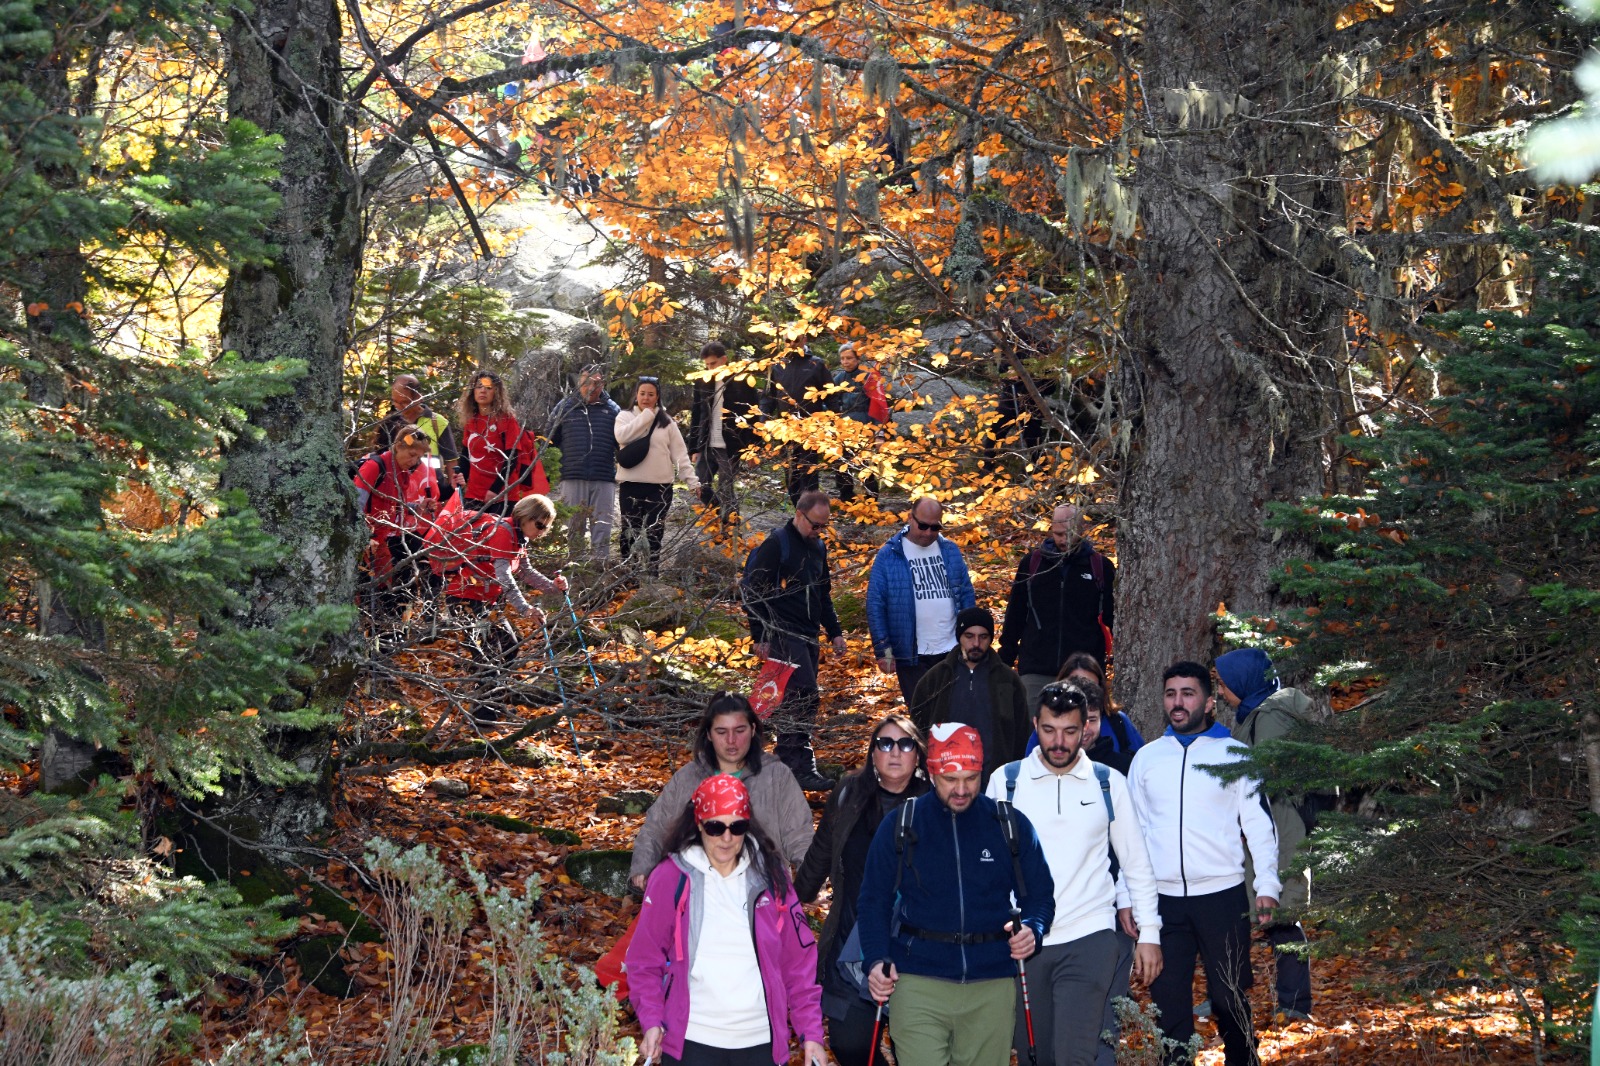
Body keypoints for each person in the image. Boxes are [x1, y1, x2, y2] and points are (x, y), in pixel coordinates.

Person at [985, 682, 1163, 1066]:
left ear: (1085, 729)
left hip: (1090, 936)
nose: (1059, 742)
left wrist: (1150, 933)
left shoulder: (1108, 783)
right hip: (1024, 944)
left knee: (1075, 1056)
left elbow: (1136, 863)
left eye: (1069, 731)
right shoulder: (1006, 781)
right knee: (1035, 1055)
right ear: (1036, 725)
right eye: (1049, 730)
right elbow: (987, 865)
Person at [857, 723, 1055, 1066]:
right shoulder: (903, 824)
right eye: (951, 779)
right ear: (932, 773)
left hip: (991, 982)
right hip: (917, 980)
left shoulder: (1007, 823)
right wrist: (875, 960)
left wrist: (1033, 929)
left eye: (971, 778)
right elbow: (873, 900)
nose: (962, 789)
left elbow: (1040, 896)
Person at [1126, 662, 1281, 1066]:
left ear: (1209, 702)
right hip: (1162, 902)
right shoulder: (1146, 759)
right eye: (1171, 694)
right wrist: (1127, 896)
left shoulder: (1235, 755)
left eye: (1188, 693)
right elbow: (1131, 836)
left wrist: (1267, 886)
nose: (1178, 702)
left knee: (1228, 997)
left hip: (1222, 898)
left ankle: (1244, 1060)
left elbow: (1260, 826)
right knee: (1169, 1005)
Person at [627, 774, 828, 1066]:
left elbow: (798, 961)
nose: (726, 838)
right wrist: (652, 1019)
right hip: (691, 1040)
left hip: (761, 1042)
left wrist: (811, 1032)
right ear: (698, 824)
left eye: (737, 827)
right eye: (715, 826)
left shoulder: (772, 877)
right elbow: (643, 960)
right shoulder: (671, 877)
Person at [795, 715, 930, 1066]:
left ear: (918, 754)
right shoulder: (849, 793)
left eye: (905, 744)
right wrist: (794, 900)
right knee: (850, 1043)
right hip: (851, 942)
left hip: (914, 947)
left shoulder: (933, 802)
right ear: (872, 754)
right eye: (885, 743)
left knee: (913, 1047)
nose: (895, 752)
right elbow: (823, 850)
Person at [1214, 648, 1317, 1023]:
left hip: (1279, 829)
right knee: (1240, 913)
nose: (1220, 692)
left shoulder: (1270, 715)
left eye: (1224, 684)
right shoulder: (1260, 712)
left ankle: (1295, 1004)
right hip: (1268, 827)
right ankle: (1228, 995)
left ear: (1243, 681)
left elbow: (1267, 776)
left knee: (1282, 916)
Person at [629, 693, 815, 891]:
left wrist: (812, 880)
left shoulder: (776, 776)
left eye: (739, 730)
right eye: (721, 732)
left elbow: (799, 834)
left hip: (763, 892)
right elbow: (656, 827)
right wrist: (642, 867)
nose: (731, 740)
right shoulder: (688, 777)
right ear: (709, 734)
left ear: (753, 730)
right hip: (695, 891)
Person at [740, 490, 846, 791]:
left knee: (794, 699)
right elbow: (751, 592)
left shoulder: (818, 547)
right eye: (815, 525)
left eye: (824, 526)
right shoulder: (777, 544)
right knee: (803, 694)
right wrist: (759, 635)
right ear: (799, 514)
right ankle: (796, 764)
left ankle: (789, 763)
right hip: (781, 633)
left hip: (809, 634)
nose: (819, 531)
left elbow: (823, 594)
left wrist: (835, 632)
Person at [999, 503, 1116, 711]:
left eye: (1069, 534)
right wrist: (1005, 658)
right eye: (1058, 534)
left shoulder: (1100, 567)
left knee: (1083, 726)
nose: (1063, 540)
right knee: (1033, 726)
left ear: (1081, 529)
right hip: (1036, 668)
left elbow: (1112, 618)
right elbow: (1016, 613)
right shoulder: (1032, 564)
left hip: (1083, 669)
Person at [866, 496, 976, 704]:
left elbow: (966, 595)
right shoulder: (889, 555)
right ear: (910, 518)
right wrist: (883, 649)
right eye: (923, 526)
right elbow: (875, 604)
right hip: (911, 655)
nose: (928, 533)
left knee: (957, 711)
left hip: (952, 650)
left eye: (935, 527)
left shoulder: (950, 551)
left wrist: (971, 638)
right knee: (923, 714)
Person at [910, 607, 1030, 783]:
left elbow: (1022, 733)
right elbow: (917, 730)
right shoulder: (935, 679)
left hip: (996, 780)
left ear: (990, 638)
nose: (976, 643)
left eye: (983, 637)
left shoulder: (1008, 680)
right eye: (969, 636)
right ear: (959, 637)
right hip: (945, 778)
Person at [613, 375, 700, 576]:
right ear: (636, 395)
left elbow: (680, 454)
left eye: (651, 394)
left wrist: (692, 481)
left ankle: (652, 572)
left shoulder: (667, 422)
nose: (646, 398)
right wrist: (646, 416)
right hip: (630, 484)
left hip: (660, 487)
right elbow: (621, 436)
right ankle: (629, 573)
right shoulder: (624, 416)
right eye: (642, 393)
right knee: (629, 530)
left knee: (655, 532)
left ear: (657, 396)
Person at [354, 429, 438, 616]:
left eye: (419, 457)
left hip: (380, 542)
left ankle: (384, 629)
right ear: (398, 446)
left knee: (385, 592)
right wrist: (363, 538)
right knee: (366, 594)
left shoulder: (402, 473)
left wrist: (418, 508)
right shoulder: (374, 467)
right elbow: (353, 507)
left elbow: (395, 506)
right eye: (412, 454)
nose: (414, 461)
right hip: (364, 542)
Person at [549, 363, 621, 560]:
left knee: (602, 525)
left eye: (596, 383)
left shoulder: (613, 409)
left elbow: (622, 444)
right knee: (573, 524)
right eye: (586, 382)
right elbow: (550, 440)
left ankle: (600, 564)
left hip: (603, 476)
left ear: (603, 384)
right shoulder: (564, 407)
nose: (591, 387)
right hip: (572, 475)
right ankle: (574, 565)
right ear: (579, 382)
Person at [455, 369, 548, 516]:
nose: (483, 391)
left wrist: (495, 490)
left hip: (503, 494)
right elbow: (466, 456)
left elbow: (512, 459)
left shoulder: (507, 420)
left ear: (497, 392)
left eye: (488, 387)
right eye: (479, 387)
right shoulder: (471, 421)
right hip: (474, 493)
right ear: (473, 391)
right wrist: (460, 476)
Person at [687, 342, 763, 521]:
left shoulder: (741, 381)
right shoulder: (702, 381)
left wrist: (753, 449)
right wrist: (694, 448)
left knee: (726, 488)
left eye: (713, 363)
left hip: (731, 445)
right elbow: (697, 414)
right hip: (707, 443)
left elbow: (754, 415)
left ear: (724, 359)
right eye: (707, 365)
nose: (710, 368)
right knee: (699, 485)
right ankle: (720, 515)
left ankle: (731, 528)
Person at [762, 343, 833, 505]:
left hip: (811, 429)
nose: (792, 343)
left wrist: (834, 421)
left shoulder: (816, 364)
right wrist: (763, 420)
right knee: (791, 472)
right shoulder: (777, 365)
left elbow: (831, 395)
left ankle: (811, 511)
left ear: (804, 338)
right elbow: (768, 397)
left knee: (809, 472)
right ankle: (798, 510)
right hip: (785, 430)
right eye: (788, 340)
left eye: (796, 339)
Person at [1059, 653, 1143, 774]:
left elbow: (1141, 764)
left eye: (1092, 719)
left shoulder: (1118, 722)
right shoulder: (1045, 761)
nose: (1084, 727)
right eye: (1074, 685)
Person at [377, 373, 462, 487]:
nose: (398, 406)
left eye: (404, 402)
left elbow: (451, 460)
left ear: (418, 398)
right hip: (396, 488)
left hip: (430, 489)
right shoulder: (390, 422)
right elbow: (380, 457)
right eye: (395, 401)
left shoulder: (438, 422)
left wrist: (454, 489)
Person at [828, 343, 886, 501]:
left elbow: (878, 406)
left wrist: (879, 434)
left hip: (865, 426)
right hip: (844, 427)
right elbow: (831, 402)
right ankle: (846, 498)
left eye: (849, 358)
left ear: (858, 359)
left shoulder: (868, 378)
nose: (845, 362)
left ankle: (871, 500)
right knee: (841, 464)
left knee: (865, 464)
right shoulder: (839, 379)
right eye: (842, 359)